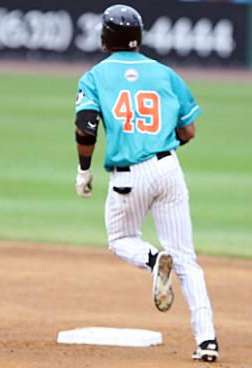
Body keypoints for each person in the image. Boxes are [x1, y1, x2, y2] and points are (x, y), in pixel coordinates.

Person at [73, 4, 218, 362]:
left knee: (121, 239)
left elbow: (86, 126)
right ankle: (207, 341)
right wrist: (159, 145)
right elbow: (189, 130)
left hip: (129, 176)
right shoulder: (166, 74)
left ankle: (154, 261)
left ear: (106, 37)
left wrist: (84, 169)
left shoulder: (95, 76)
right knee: (188, 260)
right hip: (169, 170)